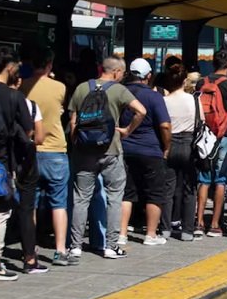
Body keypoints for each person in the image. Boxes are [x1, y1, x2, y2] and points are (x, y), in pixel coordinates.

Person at [68, 56, 146, 263]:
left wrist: (78, 144)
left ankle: (75, 247)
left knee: (81, 198)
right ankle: (111, 246)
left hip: (84, 152)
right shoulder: (119, 90)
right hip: (111, 150)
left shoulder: (82, 88)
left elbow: (73, 121)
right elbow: (141, 111)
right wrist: (127, 130)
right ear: (116, 72)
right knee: (114, 198)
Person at [0, 46, 34, 282]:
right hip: (1, 161)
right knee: (0, 211)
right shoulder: (14, 96)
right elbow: (28, 130)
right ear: (10, 68)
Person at [20, 46, 71, 266]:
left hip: (32, 149)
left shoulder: (22, 86)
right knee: (58, 202)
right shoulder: (59, 87)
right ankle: (60, 251)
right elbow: (61, 109)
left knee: (31, 202)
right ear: (49, 64)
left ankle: (31, 247)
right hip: (56, 150)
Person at [119, 58, 171, 247]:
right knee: (154, 193)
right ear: (149, 76)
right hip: (150, 150)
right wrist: (166, 147)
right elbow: (165, 125)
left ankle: (122, 233)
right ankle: (150, 234)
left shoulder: (121, 92)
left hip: (124, 149)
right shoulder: (154, 96)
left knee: (126, 192)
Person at [195, 50, 227, 238]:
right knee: (220, 180)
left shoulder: (201, 82)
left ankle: (198, 223)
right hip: (224, 137)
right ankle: (214, 224)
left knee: (203, 180)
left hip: (204, 137)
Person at [10, 66, 47, 274]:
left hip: (1, 159)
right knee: (26, 208)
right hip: (26, 161)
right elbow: (39, 138)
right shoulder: (31, 106)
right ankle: (29, 257)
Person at [161, 64, 200, 241]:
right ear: (184, 81)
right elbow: (202, 122)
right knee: (189, 188)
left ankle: (165, 229)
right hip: (189, 144)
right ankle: (187, 231)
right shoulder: (194, 100)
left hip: (169, 144)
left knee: (168, 189)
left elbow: (162, 124)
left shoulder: (165, 101)